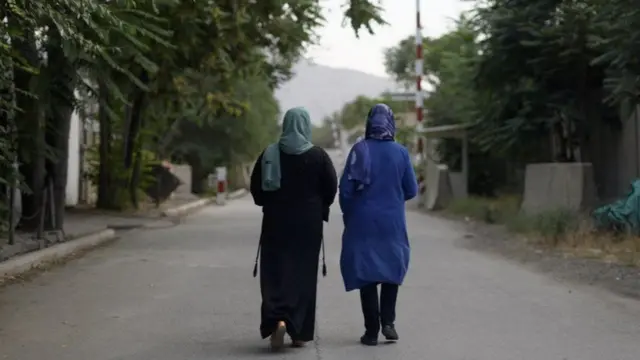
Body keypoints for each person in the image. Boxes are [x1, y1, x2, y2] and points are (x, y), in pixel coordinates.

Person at [250, 107, 338, 350]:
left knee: (275, 272)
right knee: (302, 275)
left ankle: (277, 319)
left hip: (275, 222)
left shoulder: (269, 154)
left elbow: (257, 192)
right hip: (307, 226)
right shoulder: (318, 156)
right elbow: (331, 188)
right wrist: (318, 206)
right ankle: (298, 332)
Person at [338, 103, 418, 346]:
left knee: (367, 274)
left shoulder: (359, 150)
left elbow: (346, 190)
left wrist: (349, 214)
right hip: (391, 221)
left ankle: (371, 331)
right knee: (392, 269)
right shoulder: (401, 153)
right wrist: (391, 199)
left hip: (362, 220)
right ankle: (389, 323)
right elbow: (412, 190)